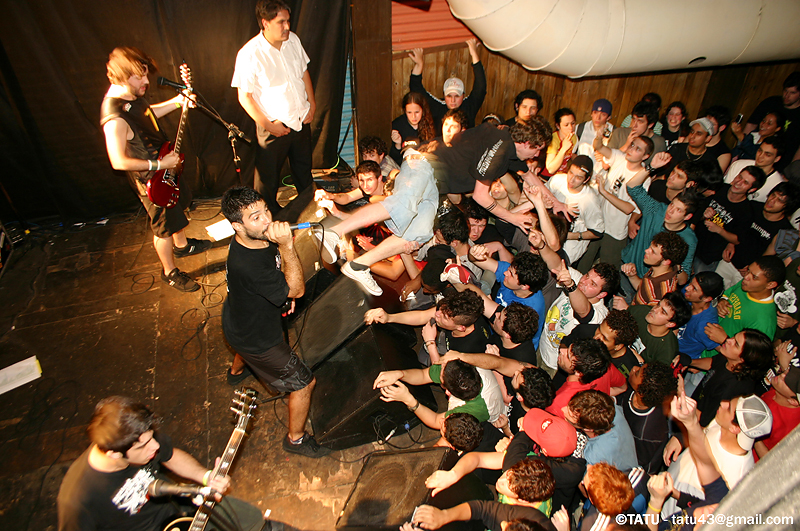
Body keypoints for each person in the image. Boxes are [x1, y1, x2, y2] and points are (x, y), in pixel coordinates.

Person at [220, 187, 327, 457]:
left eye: (266, 210)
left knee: (242, 346)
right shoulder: (248, 264)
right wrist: (287, 245)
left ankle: (236, 373)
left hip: (238, 320)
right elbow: (297, 291)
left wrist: (280, 294)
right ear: (236, 226)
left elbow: (280, 282)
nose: (267, 220)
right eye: (255, 217)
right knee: (305, 384)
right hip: (257, 339)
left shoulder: (255, 239)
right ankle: (296, 439)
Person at [57, 396, 266, 531]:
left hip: (180, 507)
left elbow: (170, 456)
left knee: (252, 520)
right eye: (144, 446)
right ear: (113, 454)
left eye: (152, 438)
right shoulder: (77, 500)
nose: (155, 446)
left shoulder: (138, 437)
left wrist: (205, 476)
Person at [100, 46, 212, 293]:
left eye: (145, 74)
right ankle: (169, 272)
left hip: (165, 167)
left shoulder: (131, 97)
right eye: (139, 77)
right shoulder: (114, 117)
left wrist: (177, 102)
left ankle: (182, 246)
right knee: (163, 228)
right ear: (120, 77)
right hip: (152, 179)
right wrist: (160, 165)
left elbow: (147, 115)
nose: (146, 82)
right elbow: (118, 161)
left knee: (177, 205)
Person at [232, 0, 316, 214]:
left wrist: (312, 104)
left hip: (300, 120)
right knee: (267, 182)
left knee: (304, 173)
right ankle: (267, 223)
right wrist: (269, 126)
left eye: (288, 21)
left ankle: (311, 212)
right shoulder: (249, 53)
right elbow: (245, 97)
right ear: (265, 23)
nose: (287, 27)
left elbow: (304, 72)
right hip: (273, 126)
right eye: (281, 22)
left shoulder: (293, 41)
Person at [577, 134, 653, 272]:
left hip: (616, 229)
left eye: (638, 149)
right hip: (599, 220)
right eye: (632, 145)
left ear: (645, 156)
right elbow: (599, 147)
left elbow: (629, 208)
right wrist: (599, 136)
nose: (631, 149)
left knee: (608, 269)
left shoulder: (644, 177)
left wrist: (604, 192)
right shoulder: (620, 157)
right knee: (585, 258)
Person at [621, 158, 698, 286]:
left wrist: (676, 266)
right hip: (627, 266)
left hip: (649, 285)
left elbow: (683, 279)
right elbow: (632, 187)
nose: (670, 211)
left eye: (678, 210)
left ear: (687, 216)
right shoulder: (656, 209)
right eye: (672, 205)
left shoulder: (688, 239)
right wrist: (651, 167)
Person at [715, 183, 797, 289]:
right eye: (773, 195)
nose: (772, 201)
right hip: (729, 261)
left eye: (779, 200)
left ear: (787, 207)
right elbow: (737, 229)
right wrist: (730, 243)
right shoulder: (753, 206)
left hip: (750, 275)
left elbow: (771, 260)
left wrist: (752, 270)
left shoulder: (785, 232)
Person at [701, 255, 785, 357]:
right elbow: (729, 292)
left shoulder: (764, 322)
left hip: (712, 360)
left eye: (754, 277)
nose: (746, 277)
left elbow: (748, 359)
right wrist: (723, 300)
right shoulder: (748, 285)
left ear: (770, 285)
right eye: (748, 270)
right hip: (700, 340)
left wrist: (724, 340)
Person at [692, 165, 765, 274]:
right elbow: (695, 209)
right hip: (693, 241)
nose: (738, 182)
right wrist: (703, 214)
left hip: (709, 256)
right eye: (739, 177)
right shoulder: (719, 188)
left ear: (752, 189)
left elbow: (737, 239)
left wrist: (719, 230)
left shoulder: (746, 211)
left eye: (745, 182)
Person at [408, 38, 487, 129]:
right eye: (449, 96)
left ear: (463, 95)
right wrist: (419, 64)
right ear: (444, 96)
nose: (453, 100)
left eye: (457, 96)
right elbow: (416, 88)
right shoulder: (438, 107)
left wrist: (474, 53)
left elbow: (480, 87)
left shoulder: (469, 106)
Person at [619, 362, 676, 473]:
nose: (634, 368)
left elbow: (637, 460)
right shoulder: (634, 390)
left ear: (641, 393)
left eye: (637, 373)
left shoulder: (646, 430)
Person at [545, 155, 604, 263]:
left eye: (579, 177)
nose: (571, 180)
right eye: (571, 172)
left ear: (587, 179)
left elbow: (597, 232)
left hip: (567, 250)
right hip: (546, 239)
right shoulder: (557, 180)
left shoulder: (590, 201)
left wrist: (570, 235)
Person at [738, 71, 800, 172]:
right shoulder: (771, 102)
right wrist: (740, 147)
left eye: (792, 93)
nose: (786, 95)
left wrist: (791, 171)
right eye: (785, 91)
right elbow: (751, 125)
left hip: (781, 163)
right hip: (753, 152)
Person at [622, 231, 688, 307]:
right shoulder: (661, 268)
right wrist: (632, 276)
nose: (646, 251)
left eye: (653, 252)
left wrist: (625, 308)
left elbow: (646, 317)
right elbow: (644, 290)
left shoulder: (660, 294)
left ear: (666, 262)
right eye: (650, 247)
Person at [724, 135, 786, 202]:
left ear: (777, 159)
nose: (760, 156)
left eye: (767, 155)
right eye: (760, 151)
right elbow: (724, 190)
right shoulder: (739, 165)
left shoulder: (776, 184)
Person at [390, 92, 436, 164]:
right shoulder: (397, 125)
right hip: (403, 166)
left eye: (417, 112)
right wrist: (397, 145)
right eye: (409, 112)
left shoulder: (430, 123)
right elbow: (393, 158)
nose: (413, 117)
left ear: (423, 110)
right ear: (405, 111)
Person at [544, 108, 578, 176]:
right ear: (558, 126)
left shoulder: (574, 138)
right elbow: (551, 169)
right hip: (547, 177)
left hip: (562, 174)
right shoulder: (553, 139)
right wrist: (563, 148)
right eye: (566, 125)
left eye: (573, 123)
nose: (571, 127)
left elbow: (571, 156)